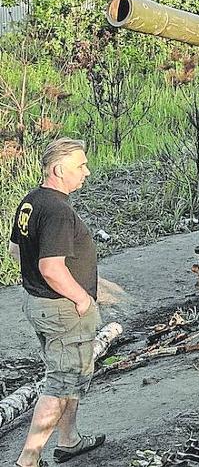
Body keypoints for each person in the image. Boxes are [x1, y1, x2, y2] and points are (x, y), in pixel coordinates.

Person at [9, 138, 106, 467]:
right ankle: (28, 459)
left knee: (72, 375)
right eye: (81, 166)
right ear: (58, 169)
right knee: (61, 381)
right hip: (63, 309)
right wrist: (81, 300)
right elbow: (51, 268)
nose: (87, 172)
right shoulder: (58, 211)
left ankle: (69, 440)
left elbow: (14, 251)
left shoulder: (32, 201)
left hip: (40, 304)